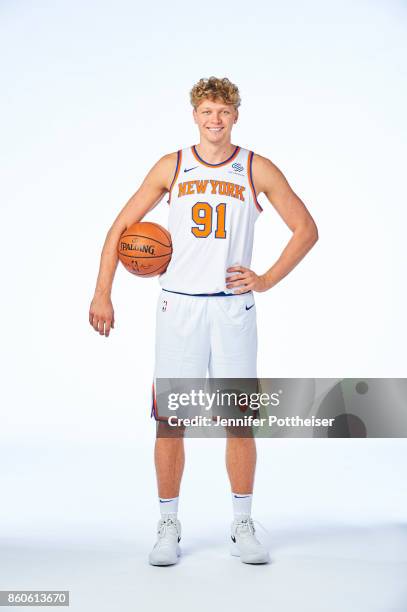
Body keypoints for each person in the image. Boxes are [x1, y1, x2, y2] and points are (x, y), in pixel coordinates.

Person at [89, 76, 318, 566]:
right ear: (194, 114)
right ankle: (168, 524)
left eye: (224, 111)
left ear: (236, 115)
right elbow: (119, 228)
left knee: (239, 420)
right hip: (179, 306)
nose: (215, 120)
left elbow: (306, 229)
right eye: (207, 111)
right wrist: (103, 293)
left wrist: (268, 278)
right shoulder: (171, 165)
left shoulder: (257, 168)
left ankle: (241, 523)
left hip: (233, 307)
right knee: (172, 421)